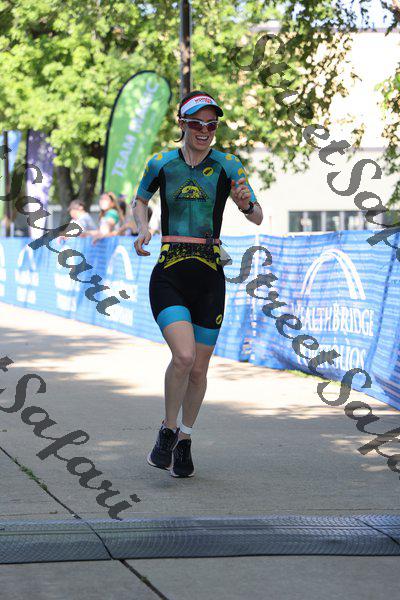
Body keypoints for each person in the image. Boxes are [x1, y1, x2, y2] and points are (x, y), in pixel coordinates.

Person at [132, 90, 263, 478]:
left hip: (209, 276)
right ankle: (167, 430)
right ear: (182, 124)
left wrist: (245, 203)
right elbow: (139, 201)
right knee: (184, 357)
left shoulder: (228, 165)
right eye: (196, 123)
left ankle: (185, 439)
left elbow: (256, 215)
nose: (204, 131)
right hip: (169, 272)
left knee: (200, 370)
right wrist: (142, 227)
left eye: (211, 124)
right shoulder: (161, 162)